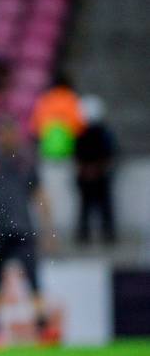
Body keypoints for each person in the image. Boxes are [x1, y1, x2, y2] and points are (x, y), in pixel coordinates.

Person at [0, 115, 57, 347]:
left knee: (34, 280)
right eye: (4, 133)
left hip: (24, 230)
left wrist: (47, 229)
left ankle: (43, 328)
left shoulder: (26, 160)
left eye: (11, 133)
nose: (8, 137)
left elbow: (40, 195)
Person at [74, 95, 118, 244]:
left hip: (97, 176)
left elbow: (110, 155)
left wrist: (93, 169)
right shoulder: (86, 134)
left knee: (99, 207)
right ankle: (86, 234)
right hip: (92, 176)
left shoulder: (98, 134)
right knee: (88, 208)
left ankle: (104, 234)